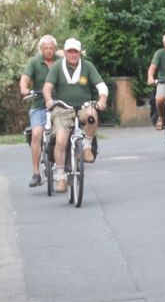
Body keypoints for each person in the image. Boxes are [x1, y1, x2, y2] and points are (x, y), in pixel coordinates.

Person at [42, 38, 109, 193]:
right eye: (70, 51)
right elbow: (47, 87)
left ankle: (86, 147)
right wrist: (49, 100)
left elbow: (101, 86)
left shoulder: (88, 66)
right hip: (62, 109)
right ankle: (61, 177)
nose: (73, 54)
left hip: (83, 107)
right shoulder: (58, 67)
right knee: (60, 140)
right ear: (65, 52)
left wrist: (102, 100)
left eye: (75, 52)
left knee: (92, 115)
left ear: (80, 53)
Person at [19, 35, 58, 187]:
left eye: (51, 48)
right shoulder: (35, 62)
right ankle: (36, 173)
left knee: (64, 132)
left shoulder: (60, 62)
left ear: (54, 49)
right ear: (41, 49)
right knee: (36, 134)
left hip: (58, 104)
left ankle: (67, 166)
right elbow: (25, 78)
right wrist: (24, 88)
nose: (48, 51)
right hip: (39, 104)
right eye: (45, 48)